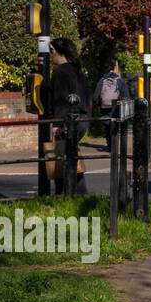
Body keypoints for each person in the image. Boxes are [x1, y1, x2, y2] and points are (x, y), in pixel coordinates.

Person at [48, 37, 91, 194]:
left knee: (62, 160)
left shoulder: (60, 72)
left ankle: (63, 196)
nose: (50, 55)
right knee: (71, 157)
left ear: (60, 52)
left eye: (51, 51)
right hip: (83, 120)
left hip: (68, 122)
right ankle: (80, 195)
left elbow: (60, 100)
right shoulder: (77, 70)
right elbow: (87, 97)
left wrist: (57, 124)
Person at [92, 56, 131, 152]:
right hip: (116, 108)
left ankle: (110, 145)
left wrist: (99, 104)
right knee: (115, 126)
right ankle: (115, 146)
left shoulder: (102, 80)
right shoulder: (120, 81)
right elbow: (126, 96)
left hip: (104, 107)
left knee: (107, 126)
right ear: (114, 68)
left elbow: (95, 96)